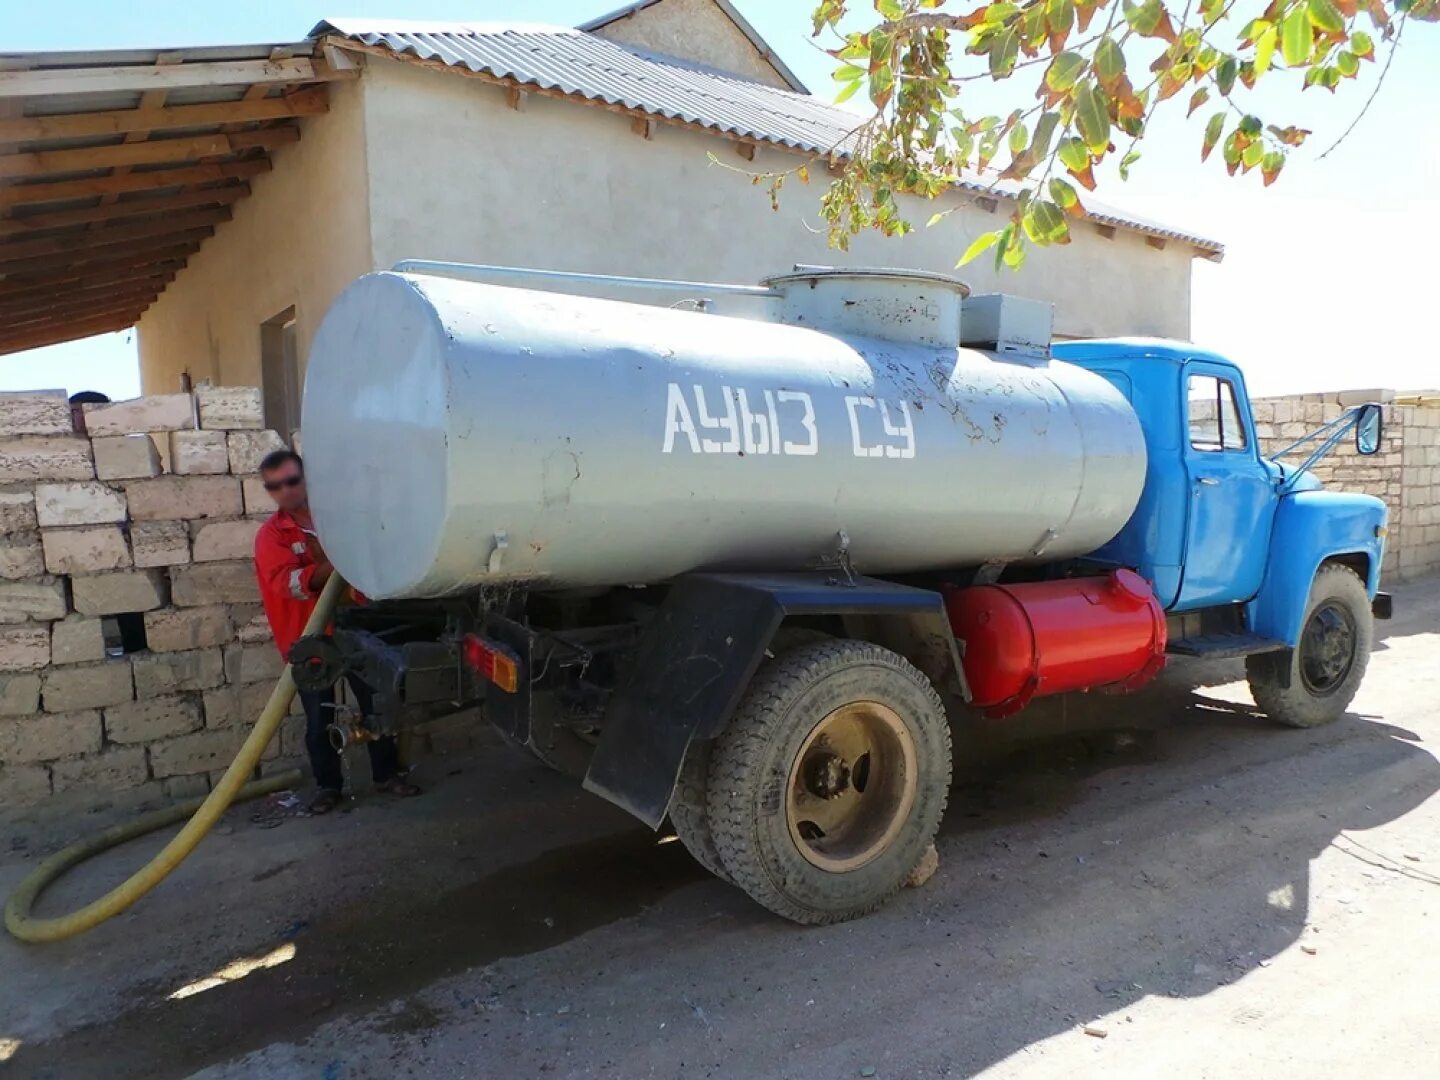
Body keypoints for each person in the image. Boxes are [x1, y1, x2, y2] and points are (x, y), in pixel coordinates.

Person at [253, 448, 421, 813]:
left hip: (357, 630)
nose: (285, 490)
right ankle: (328, 787)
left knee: (376, 704)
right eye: (275, 486)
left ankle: (387, 775)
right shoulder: (272, 536)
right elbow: (289, 584)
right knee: (319, 718)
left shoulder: (339, 519)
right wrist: (337, 562)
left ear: (306, 478)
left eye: (292, 481)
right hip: (310, 638)